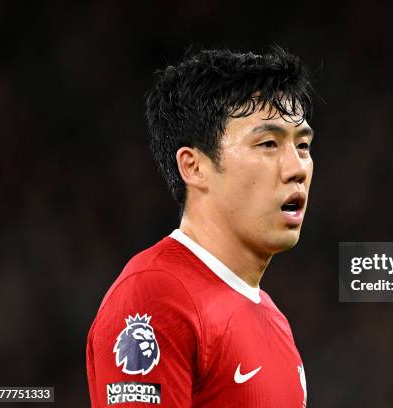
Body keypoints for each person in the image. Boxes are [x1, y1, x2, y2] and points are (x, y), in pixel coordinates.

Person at [86, 46, 315, 407]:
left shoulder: (273, 319)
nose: (297, 168)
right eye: (268, 143)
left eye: (302, 145)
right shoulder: (155, 297)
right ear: (194, 167)